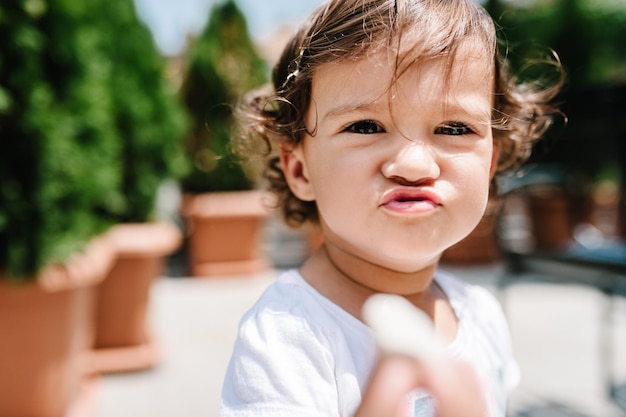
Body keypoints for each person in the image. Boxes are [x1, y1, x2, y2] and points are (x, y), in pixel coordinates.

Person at [220, 0, 563, 416]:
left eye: (454, 128)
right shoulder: (288, 336)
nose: (413, 166)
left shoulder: (480, 315)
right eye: (365, 126)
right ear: (299, 168)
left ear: (490, 165)